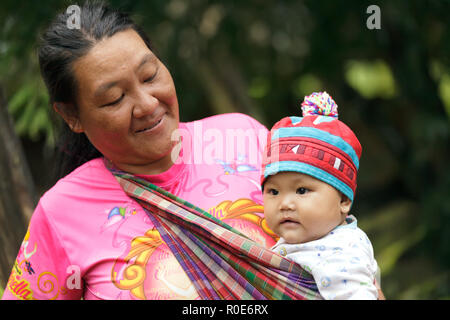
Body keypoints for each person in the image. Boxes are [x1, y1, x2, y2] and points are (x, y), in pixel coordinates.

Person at [2, 1, 275, 300]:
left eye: (149, 76)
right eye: (115, 99)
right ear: (72, 116)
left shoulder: (243, 136)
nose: (147, 104)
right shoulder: (60, 213)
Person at [261, 92, 380, 299]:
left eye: (301, 191)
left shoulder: (339, 253)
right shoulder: (311, 238)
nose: (285, 204)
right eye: (274, 191)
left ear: (343, 200)